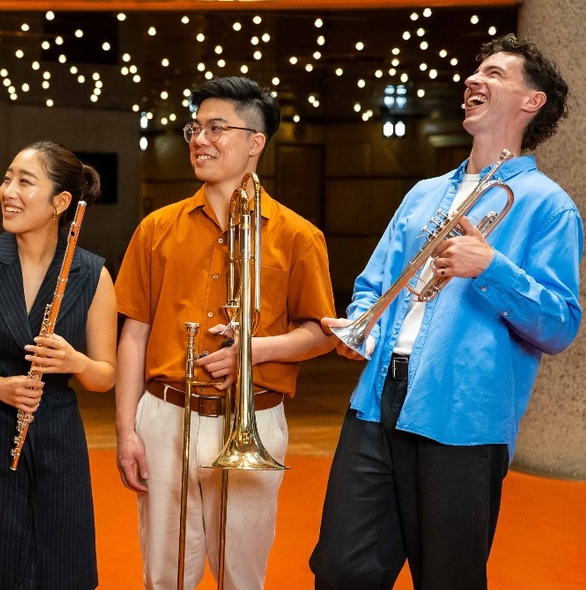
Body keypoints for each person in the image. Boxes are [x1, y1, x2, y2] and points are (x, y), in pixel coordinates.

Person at [310, 34, 582, 590]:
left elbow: (559, 325)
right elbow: (372, 284)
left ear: (532, 102)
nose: (472, 80)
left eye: (496, 73)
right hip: (377, 398)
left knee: (448, 577)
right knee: (341, 567)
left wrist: (492, 267)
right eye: (474, 71)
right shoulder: (423, 194)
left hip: (465, 412)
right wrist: (359, 323)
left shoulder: (548, 205)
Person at [114, 76, 336, 589]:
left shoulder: (298, 235)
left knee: (242, 577)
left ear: (255, 142)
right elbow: (134, 334)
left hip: (253, 416)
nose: (199, 139)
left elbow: (321, 332)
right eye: (195, 127)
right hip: (165, 416)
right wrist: (127, 430)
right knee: (163, 576)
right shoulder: (156, 228)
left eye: (217, 128)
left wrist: (255, 352)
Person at [0, 140, 117, 589]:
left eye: (24, 182)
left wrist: (76, 361)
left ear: (61, 203)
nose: (7, 190)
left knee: (59, 565)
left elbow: (104, 376)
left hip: (56, 436)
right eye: (7, 177)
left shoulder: (92, 274)